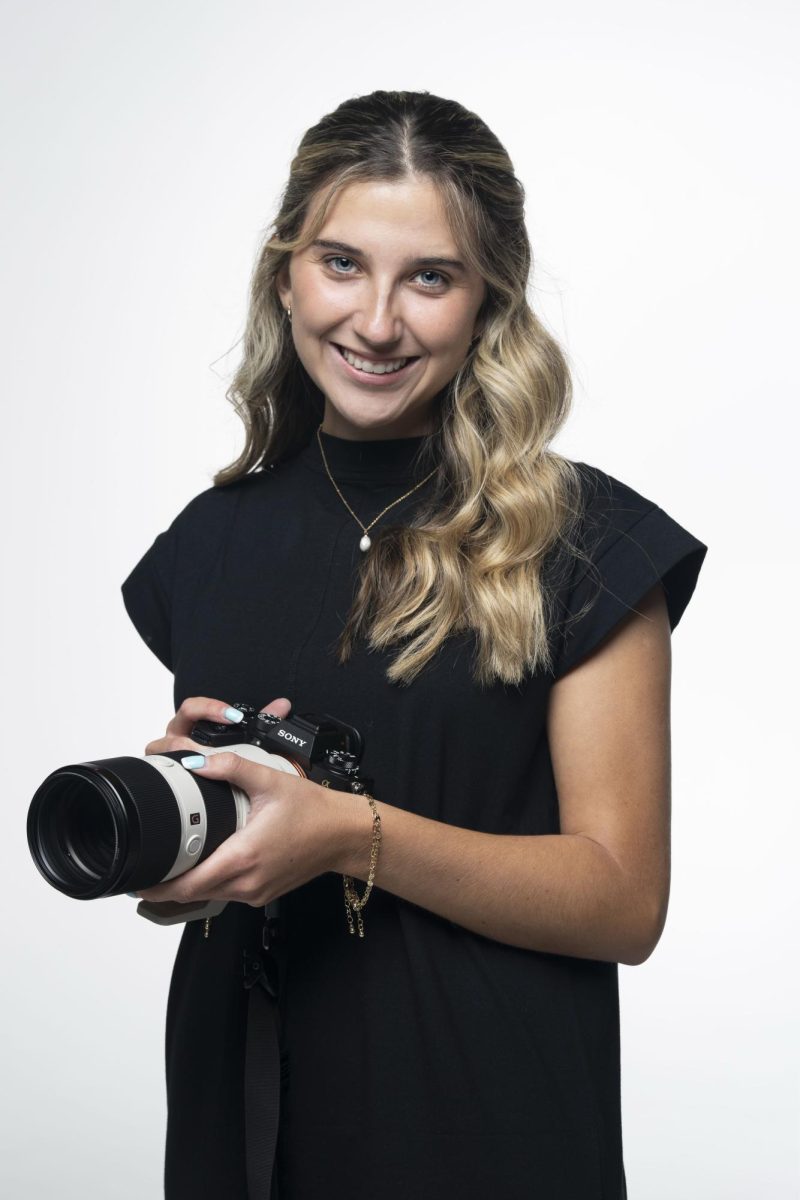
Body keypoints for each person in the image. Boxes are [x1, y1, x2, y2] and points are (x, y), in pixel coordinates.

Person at [121, 89, 708, 1200]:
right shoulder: (211, 541)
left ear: (488, 298)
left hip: (482, 1125)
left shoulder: (583, 541)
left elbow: (622, 901)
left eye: (428, 277)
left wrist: (348, 836)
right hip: (241, 1114)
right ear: (284, 272)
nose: (376, 321)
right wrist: (193, 855)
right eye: (340, 264)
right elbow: (250, 843)